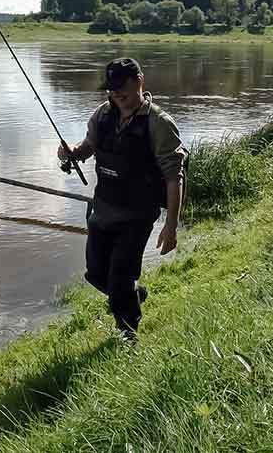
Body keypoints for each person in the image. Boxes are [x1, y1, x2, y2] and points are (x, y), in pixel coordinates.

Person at [58, 57, 185, 339]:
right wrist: (71, 152)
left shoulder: (159, 123)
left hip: (137, 215)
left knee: (119, 279)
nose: (115, 93)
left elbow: (174, 177)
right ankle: (133, 295)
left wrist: (171, 226)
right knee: (95, 274)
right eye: (111, 87)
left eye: (121, 86)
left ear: (139, 80)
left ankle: (128, 333)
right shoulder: (102, 115)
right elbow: (88, 146)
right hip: (103, 209)